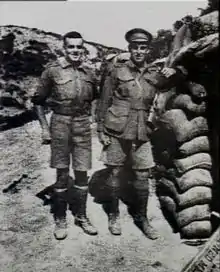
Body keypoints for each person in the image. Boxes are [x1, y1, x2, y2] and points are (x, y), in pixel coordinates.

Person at [97, 28, 188, 239]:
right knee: (115, 173)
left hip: (142, 131)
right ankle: (113, 214)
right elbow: (104, 101)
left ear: (148, 50)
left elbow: (177, 80)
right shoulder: (116, 69)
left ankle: (142, 218)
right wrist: (101, 130)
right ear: (129, 48)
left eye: (143, 47)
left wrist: (176, 71)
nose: (139, 51)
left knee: (142, 175)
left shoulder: (155, 73)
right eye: (135, 47)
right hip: (116, 129)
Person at [32, 31, 98, 240]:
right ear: (64, 48)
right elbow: (38, 101)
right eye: (71, 47)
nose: (76, 51)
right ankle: (60, 218)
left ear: (83, 48)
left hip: (82, 124)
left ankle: (81, 216)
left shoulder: (89, 71)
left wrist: (92, 118)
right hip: (60, 123)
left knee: (82, 172)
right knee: (62, 173)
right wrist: (44, 128)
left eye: (79, 47)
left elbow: (95, 98)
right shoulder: (52, 71)